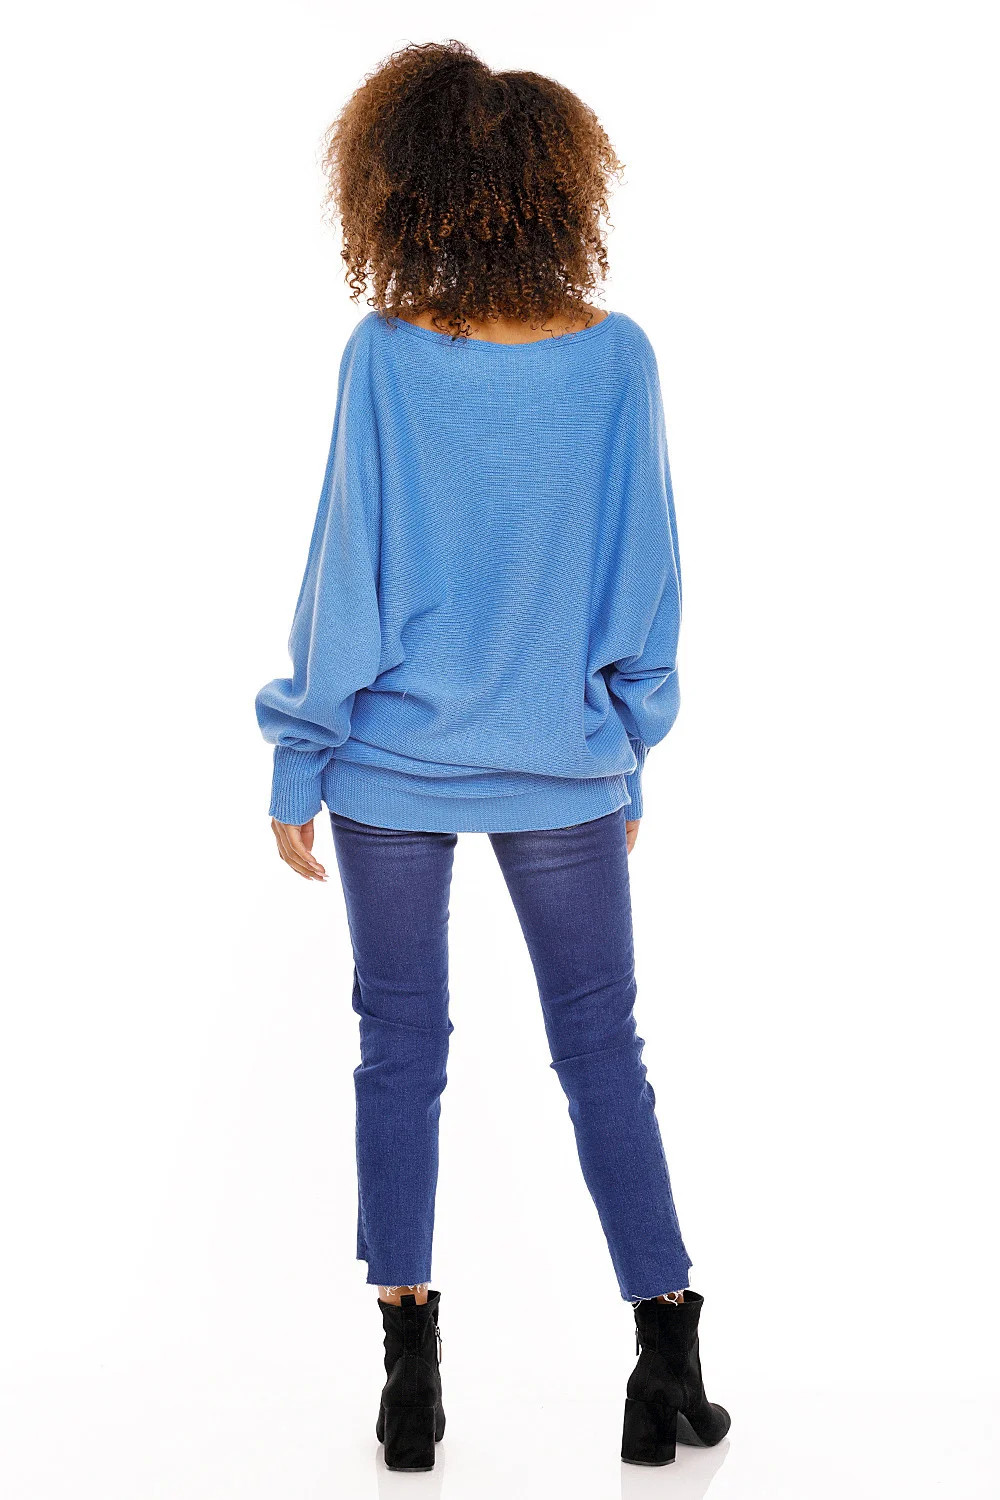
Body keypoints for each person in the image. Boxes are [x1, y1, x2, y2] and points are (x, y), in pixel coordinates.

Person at [255, 39, 729, 1472]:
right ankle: (668, 1353)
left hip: (389, 765)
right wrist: (626, 743)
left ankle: (410, 1372)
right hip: (560, 765)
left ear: (398, 189)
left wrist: (300, 753)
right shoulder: (617, 358)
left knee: (398, 1049)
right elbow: (646, 574)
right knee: (603, 1051)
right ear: (558, 190)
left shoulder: (387, 357)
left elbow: (345, 578)